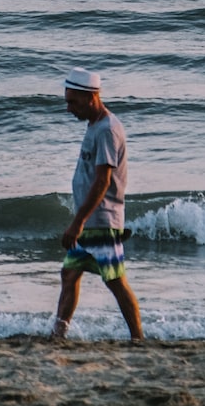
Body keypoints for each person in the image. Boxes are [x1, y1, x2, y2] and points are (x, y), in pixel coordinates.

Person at [51, 67, 144, 343]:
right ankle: (58, 335)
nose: (69, 109)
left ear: (91, 97)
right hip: (91, 221)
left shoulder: (107, 130)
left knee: (115, 280)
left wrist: (77, 222)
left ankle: (138, 337)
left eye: (73, 102)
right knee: (69, 274)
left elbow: (102, 181)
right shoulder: (96, 125)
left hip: (101, 221)